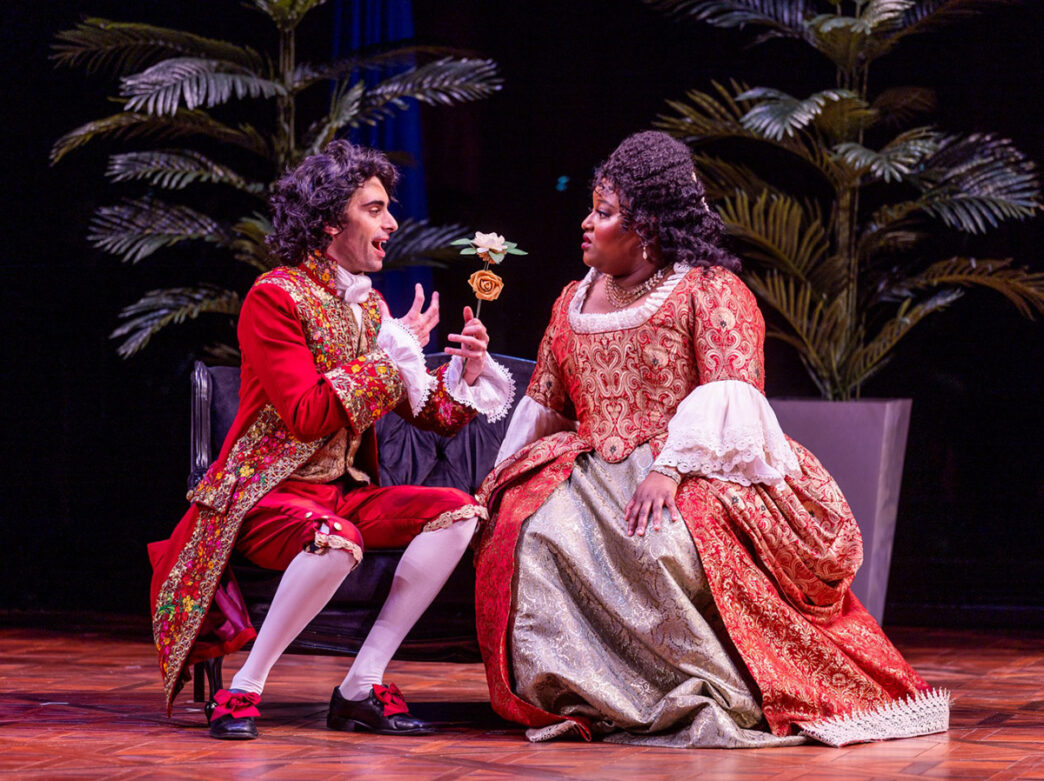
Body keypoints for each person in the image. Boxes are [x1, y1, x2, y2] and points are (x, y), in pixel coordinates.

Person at [474, 131, 949, 749]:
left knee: (663, 541)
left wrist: (668, 469)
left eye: (605, 211)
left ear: (645, 226)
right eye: (592, 207)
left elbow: (731, 391)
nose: (586, 222)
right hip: (585, 461)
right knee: (530, 531)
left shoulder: (707, 291)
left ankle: (699, 686)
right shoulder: (571, 300)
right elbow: (546, 406)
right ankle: (584, 694)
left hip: (691, 461)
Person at [149, 140, 514, 740]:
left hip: (342, 494)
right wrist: (389, 359)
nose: (391, 222)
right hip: (266, 495)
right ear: (328, 221)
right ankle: (245, 688)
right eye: (374, 208)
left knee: (459, 512)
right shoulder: (275, 296)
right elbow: (306, 414)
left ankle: (360, 683)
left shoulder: (368, 311)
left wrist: (465, 374)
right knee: (335, 539)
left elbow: (434, 415)